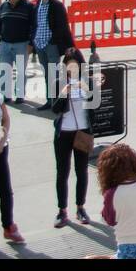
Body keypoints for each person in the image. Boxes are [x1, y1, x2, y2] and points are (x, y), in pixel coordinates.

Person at [52, 47, 93, 228]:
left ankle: (81, 207)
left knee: (81, 171)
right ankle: (62, 210)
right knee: (62, 172)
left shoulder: (87, 82)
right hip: (64, 133)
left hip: (82, 132)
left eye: (75, 66)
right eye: (69, 66)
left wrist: (87, 89)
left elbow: (95, 105)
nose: (72, 70)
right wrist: (64, 93)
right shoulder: (59, 82)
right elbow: (54, 109)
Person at [32, 0, 74, 113]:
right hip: (39, 44)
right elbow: (35, 24)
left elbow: (63, 26)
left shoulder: (57, 5)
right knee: (47, 74)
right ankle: (49, 101)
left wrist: (70, 45)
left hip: (51, 44)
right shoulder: (37, 4)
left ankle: (57, 102)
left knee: (53, 74)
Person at [0, 0, 34, 105]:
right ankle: (5, 95)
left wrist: (31, 44)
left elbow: (33, 26)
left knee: (20, 71)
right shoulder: (3, 6)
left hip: (21, 45)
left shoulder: (29, 7)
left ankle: (20, 96)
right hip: (4, 45)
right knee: (4, 71)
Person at [0, 102, 24, 244]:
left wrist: (2, 141)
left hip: (0, 148)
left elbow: (6, 119)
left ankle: (8, 227)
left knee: (6, 191)